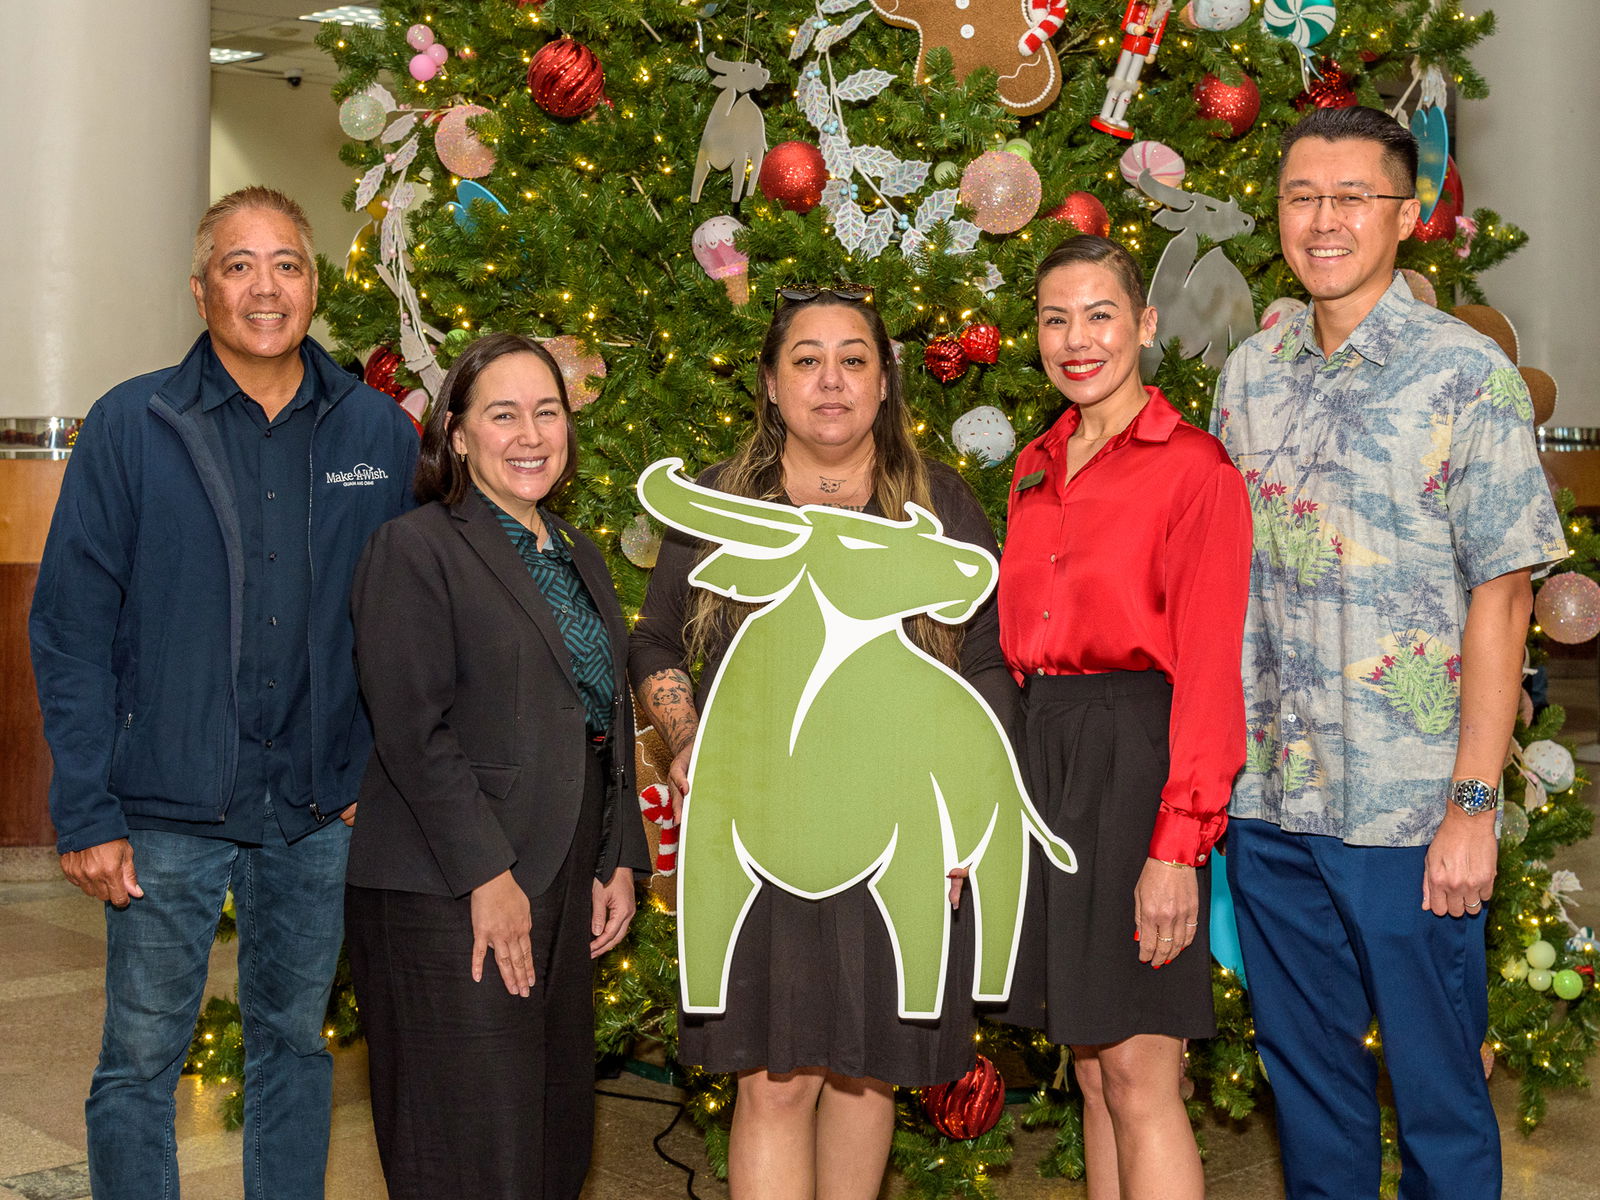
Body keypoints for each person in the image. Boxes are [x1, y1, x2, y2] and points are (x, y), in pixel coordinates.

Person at [28, 186, 418, 1200]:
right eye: (239, 265)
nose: (264, 286)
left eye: (286, 263)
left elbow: (408, 622)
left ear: (315, 285)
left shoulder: (377, 435)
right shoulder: (131, 423)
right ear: (199, 289)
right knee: (140, 1062)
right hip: (164, 809)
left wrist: (376, 773)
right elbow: (70, 627)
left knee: (294, 1046)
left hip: (317, 810)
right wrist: (86, 807)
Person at [1213, 106, 1567, 1200]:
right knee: (1307, 1085)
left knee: (1438, 1099)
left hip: (1407, 813)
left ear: (1405, 216)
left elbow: (1502, 600)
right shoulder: (1247, 374)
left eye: (1351, 199)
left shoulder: (1463, 376)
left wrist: (1472, 804)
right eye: (1300, 197)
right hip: (1270, 802)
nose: (1323, 222)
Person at [629, 286, 1011, 1200]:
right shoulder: (720, 499)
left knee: (867, 1066)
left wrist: (966, 825)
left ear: (885, 384)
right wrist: (685, 738)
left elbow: (991, 665)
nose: (830, 381)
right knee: (772, 1078)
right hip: (758, 829)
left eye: (853, 360)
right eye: (806, 360)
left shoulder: (938, 500)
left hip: (891, 830)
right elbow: (652, 639)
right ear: (770, 382)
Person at [345, 331, 648, 1200]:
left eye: (546, 412)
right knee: (470, 1151)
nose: (529, 433)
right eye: (502, 413)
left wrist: (614, 855)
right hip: (448, 889)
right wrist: (489, 874)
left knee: (549, 1144)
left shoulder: (576, 550)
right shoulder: (417, 549)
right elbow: (413, 731)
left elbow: (604, 714)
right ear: (458, 433)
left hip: (559, 878)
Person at [995, 235, 1250, 1200]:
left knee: (1143, 1073)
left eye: (1099, 314)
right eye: (1055, 319)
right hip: (1049, 757)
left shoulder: (1194, 469)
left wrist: (1178, 843)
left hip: (1140, 759)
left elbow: (1212, 673)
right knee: (1094, 1069)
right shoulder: (1035, 465)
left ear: (1144, 325)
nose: (1076, 339)